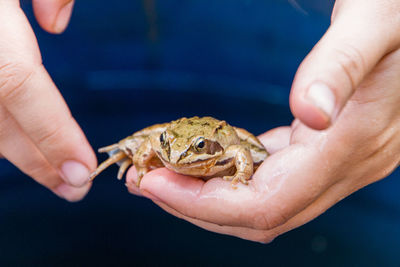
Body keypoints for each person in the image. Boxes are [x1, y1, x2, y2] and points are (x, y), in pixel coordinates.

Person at [0, 0, 398, 242]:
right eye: (173, 150)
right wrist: (139, 154)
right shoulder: (169, 144)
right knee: (144, 141)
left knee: (251, 149)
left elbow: (241, 154)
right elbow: (156, 143)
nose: (177, 157)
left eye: (192, 153)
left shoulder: (223, 150)